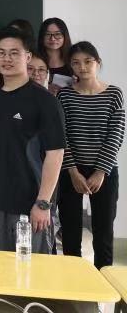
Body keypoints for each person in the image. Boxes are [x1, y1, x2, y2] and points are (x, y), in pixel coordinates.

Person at [0, 27, 65, 253]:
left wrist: (43, 203)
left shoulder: (45, 101)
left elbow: (55, 154)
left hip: (32, 204)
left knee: (33, 269)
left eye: (14, 53)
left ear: (28, 57)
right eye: (1, 53)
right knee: (1, 266)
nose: (6, 59)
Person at [57, 41, 124, 269]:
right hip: (71, 171)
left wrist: (101, 171)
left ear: (98, 63)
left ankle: (103, 281)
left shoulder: (114, 94)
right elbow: (62, 136)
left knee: (103, 232)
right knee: (70, 231)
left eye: (88, 61)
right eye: (76, 63)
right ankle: (74, 282)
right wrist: (72, 171)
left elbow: (116, 134)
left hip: (104, 172)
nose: (82, 67)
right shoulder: (65, 95)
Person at [37, 17, 74, 94]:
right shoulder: (34, 60)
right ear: (42, 37)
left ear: (64, 36)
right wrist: (46, 87)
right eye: (47, 34)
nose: (53, 39)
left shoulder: (73, 59)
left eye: (57, 34)